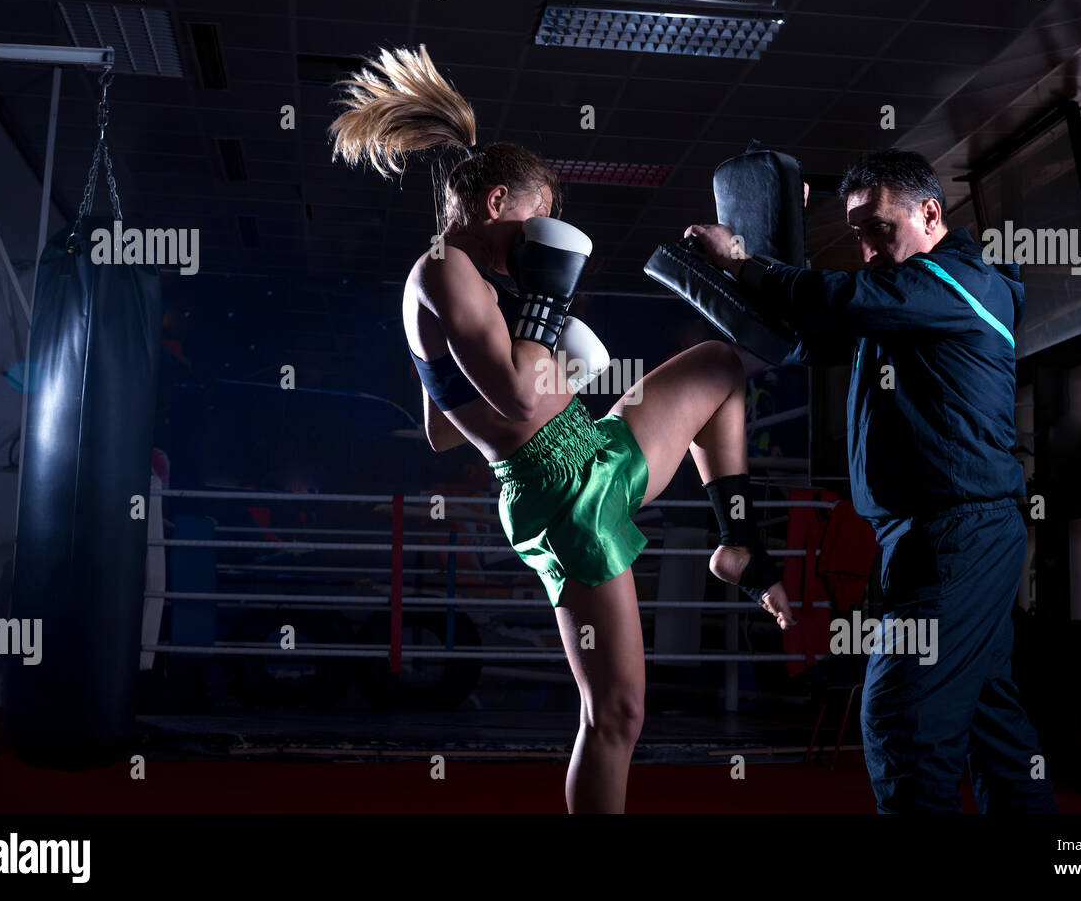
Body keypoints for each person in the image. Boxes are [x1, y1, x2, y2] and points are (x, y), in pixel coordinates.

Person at [328, 45, 796, 813]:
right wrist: (545, 320)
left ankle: (738, 542)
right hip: (560, 493)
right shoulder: (442, 269)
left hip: (592, 450)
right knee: (616, 713)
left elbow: (445, 431)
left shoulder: (467, 285)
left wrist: (555, 362)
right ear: (499, 201)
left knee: (717, 367)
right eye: (539, 218)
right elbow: (515, 400)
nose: (543, 237)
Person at [686, 148, 1058, 813]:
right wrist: (775, 241)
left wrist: (745, 260)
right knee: (992, 726)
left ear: (930, 213)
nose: (866, 249)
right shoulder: (907, 302)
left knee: (902, 720)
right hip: (932, 538)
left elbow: (835, 298)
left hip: (958, 536)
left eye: (879, 230)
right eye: (856, 233)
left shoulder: (961, 283)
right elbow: (812, 329)